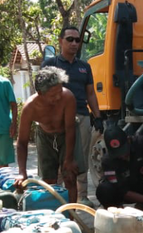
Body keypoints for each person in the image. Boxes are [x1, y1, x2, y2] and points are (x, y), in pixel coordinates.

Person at [41, 26, 104, 208]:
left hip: (82, 117)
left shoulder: (85, 67)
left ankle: (82, 196)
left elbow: (91, 93)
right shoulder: (49, 65)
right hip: (57, 119)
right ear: (60, 41)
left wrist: (97, 116)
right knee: (60, 157)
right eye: (70, 39)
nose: (74, 43)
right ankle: (56, 196)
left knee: (80, 158)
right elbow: (41, 94)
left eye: (78, 40)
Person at [15, 67, 80, 202]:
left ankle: (72, 217)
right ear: (40, 93)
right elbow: (22, 142)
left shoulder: (68, 98)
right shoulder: (30, 108)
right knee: (48, 181)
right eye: (52, 95)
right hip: (45, 137)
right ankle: (54, 216)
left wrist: (68, 159)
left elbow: (70, 128)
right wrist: (22, 172)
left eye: (59, 92)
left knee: (70, 176)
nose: (57, 97)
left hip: (67, 135)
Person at [95, 126, 143, 210]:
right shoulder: (107, 161)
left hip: (139, 185)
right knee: (104, 190)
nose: (122, 156)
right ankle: (115, 212)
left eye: (124, 151)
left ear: (128, 140)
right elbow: (123, 192)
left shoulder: (140, 142)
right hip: (120, 192)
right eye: (118, 154)